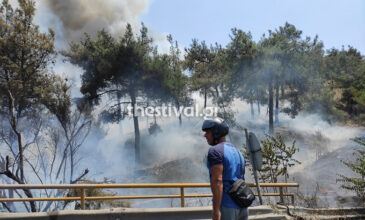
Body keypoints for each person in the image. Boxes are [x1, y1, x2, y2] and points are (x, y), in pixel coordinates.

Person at [202, 117, 248, 220]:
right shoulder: (238, 152)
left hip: (227, 206)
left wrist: (216, 211)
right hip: (242, 206)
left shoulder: (215, 151)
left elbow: (218, 180)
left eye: (208, 132)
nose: (205, 135)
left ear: (216, 132)